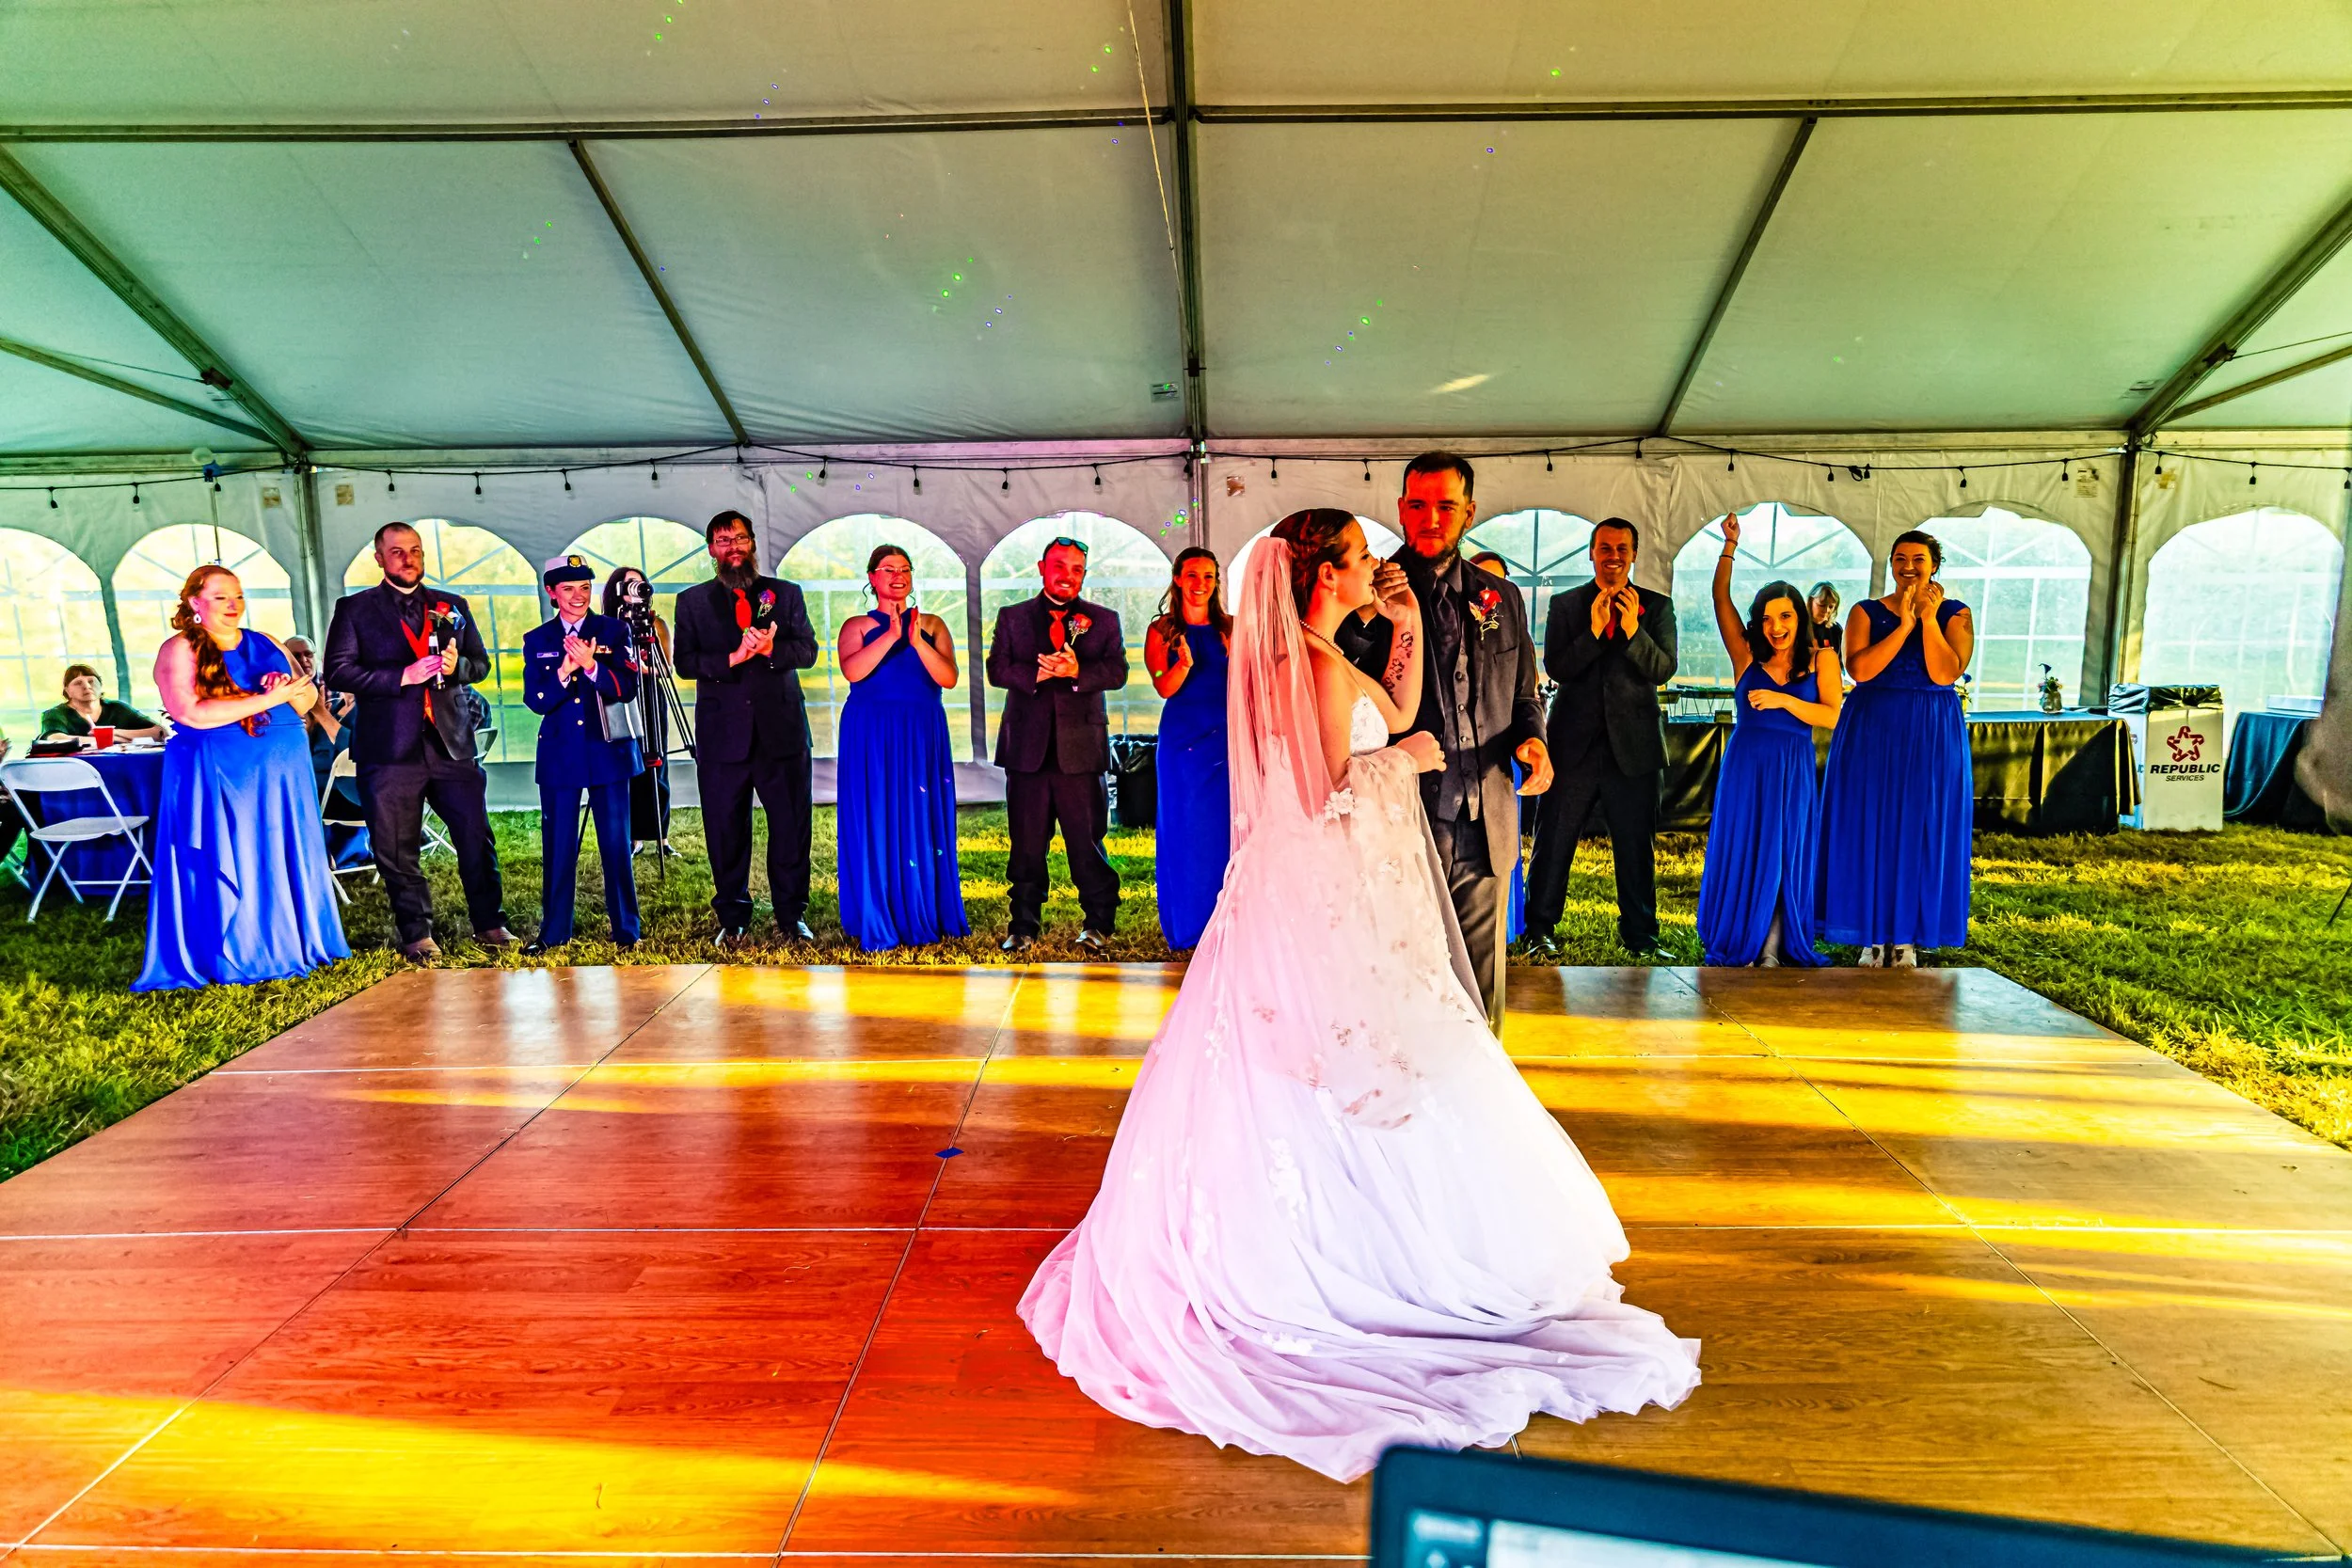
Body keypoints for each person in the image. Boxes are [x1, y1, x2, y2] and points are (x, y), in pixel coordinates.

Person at [1020, 511, 1699, 1483]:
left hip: (1325, 887)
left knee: (1342, 1054)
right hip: (1327, 891)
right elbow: (1322, 785)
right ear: (1321, 573)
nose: (1375, 558)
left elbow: (1396, 702)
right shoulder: (1312, 665)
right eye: (1357, 554)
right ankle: (1356, 1247)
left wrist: (1409, 620)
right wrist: (1405, 762)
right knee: (1341, 1053)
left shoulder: (1317, 653)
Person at [1336, 453, 1549, 1030]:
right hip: (1404, 821)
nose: (1431, 518)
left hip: (1488, 818)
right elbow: (1338, 695)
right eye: (1418, 505)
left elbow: (1524, 692)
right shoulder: (1366, 594)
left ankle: (1481, 1107)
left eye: (1446, 506)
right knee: (1402, 979)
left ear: (1469, 512)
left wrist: (1534, 741)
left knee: (1483, 989)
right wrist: (1366, 616)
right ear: (1401, 509)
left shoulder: (1502, 599)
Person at [135, 566, 349, 990]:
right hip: (224, 769)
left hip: (283, 768)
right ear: (195, 602)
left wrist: (285, 684)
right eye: (220, 597)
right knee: (238, 851)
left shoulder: (267, 642)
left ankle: (298, 942)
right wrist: (265, 698)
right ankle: (240, 947)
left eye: (237, 596)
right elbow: (189, 713)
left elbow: (306, 699)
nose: (233, 605)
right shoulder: (178, 649)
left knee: (282, 848)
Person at [324, 521, 516, 961]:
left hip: (451, 743)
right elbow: (338, 671)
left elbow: (480, 664)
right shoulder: (355, 609)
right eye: (397, 552)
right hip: (389, 749)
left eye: (414, 550)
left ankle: (490, 922)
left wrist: (455, 667)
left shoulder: (452, 604)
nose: (408, 558)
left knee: (475, 837)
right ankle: (416, 933)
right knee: (396, 846)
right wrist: (401, 677)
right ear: (379, 558)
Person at [1819, 530, 1975, 967]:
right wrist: (1904, 623)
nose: (1909, 566)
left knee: (1920, 827)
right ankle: (1871, 935)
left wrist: (1927, 619)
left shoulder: (1956, 614)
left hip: (1931, 728)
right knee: (1870, 824)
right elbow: (1861, 670)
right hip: (1872, 725)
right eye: (1900, 558)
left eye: (1919, 559)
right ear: (1890, 563)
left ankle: (1907, 937)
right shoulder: (1865, 612)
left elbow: (1946, 673)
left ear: (1934, 566)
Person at [1523, 517, 1677, 961]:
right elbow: (1557, 668)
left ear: (1634, 555)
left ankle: (1642, 934)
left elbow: (1663, 669)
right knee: (1554, 839)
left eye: (1622, 549)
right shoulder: (1567, 605)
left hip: (1636, 746)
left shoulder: (1658, 607)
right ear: (1591, 553)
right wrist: (1593, 632)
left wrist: (1632, 631)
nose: (1613, 556)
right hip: (1574, 745)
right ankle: (1540, 928)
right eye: (1605, 548)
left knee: (1636, 845)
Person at [1694, 518, 1843, 967]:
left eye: (1785, 616)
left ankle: (1774, 946)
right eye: (1767, 618)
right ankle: (1747, 937)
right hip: (1747, 766)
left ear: (1800, 616)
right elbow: (1720, 598)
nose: (1776, 626)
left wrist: (1781, 699)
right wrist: (1730, 545)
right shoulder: (1747, 657)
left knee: (1783, 851)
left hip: (1793, 765)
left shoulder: (1822, 659)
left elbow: (1832, 716)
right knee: (1747, 848)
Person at [671, 510, 819, 946]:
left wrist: (773, 649)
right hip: (722, 738)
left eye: (739, 538)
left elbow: (807, 650)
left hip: (782, 733)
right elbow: (685, 663)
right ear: (711, 549)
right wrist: (732, 660)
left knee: (791, 827)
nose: (733, 547)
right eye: (722, 540)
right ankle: (733, 916)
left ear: (752, 543)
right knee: (725, 829)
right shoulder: (692, 602)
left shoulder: (785, 594)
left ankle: (792, 915)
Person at [986, 536, 1130, 952]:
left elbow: (1117, 672)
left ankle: (1098, 922)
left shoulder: (1104, 619)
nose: (1068, 575)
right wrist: (1041, 675)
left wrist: (1076, 669)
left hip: (1080, 749)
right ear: (1041, 567)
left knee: (1086, 841)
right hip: (1027, 749)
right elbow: (997, 669)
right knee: (1026, 844)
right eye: (1060, 566)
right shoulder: (1012, 617)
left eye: (1077, 568)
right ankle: (1024, 926)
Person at [834, 545, 968, 950]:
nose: (898, 575)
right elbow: (853, 670)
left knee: (918, 815)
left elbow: (948, 678)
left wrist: (914, 639)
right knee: (875, 813)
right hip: (871, 731)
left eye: (905, 569)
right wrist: (891, 635)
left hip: (920, 729)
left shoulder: (933, 624)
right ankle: (877, 906)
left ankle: (925, 904)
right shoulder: (855, 625)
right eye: (888, 569)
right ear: (872, 577)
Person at [518, 555, 643, 954]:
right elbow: (536, 700)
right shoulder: (537, 640)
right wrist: (564, 671)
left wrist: (592, 668)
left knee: (615, 843)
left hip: (607, 751)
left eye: (585, 588)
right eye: (568, 589)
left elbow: (626, 688)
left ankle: (626, 929)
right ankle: (554, 932)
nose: (578, 596)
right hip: (561, 754)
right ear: (552, 593)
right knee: (558, 846)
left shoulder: (614, 629)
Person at [1145, 546, 1232, 949]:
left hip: (1227, 737)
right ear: (1177, 578)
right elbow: (1164, 686)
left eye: (1209, 577)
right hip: (1183, 742)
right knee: (1187, 828)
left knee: (1223, 829)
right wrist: (1182, 662)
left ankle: (1228, 918)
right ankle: (1189, 922)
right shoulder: (1161, 630)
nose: (1201, 584)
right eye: (1193, 575)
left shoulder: (1229, 627)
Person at [1468, 551, 1529, 943]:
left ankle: (1506, 924)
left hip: (1503, 756)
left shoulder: (1513, 626)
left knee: (1503, 841)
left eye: (1498, 581)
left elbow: (1527, 690)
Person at [602, 566, 674, 851]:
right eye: (630, 583)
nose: (637, 588)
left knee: (657, 762)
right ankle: (633, 838)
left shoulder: (657, 624)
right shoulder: (607, 626)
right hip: (620, 698)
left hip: (652, 695)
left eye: (641, 584)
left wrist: (644, 668)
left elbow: (667, 668)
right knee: (628, 763)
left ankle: (662, 837)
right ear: (617, 590)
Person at [40, 664, 164, 742]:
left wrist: (112, 733)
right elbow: (54, 738)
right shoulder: (56, 714)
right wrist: (110, 740)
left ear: (101, 685)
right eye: (78, 683)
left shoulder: (117, 708)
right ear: (67, 691)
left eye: (91, 681)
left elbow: (160, 732)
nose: (87, 686)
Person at [1808, 581, 1845, 660]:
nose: (1826, 610)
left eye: (1831, 607)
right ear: (1811, 601)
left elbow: (1840, 662)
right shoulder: (1799, 627)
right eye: (1821, 605)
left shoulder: (1836, 630)